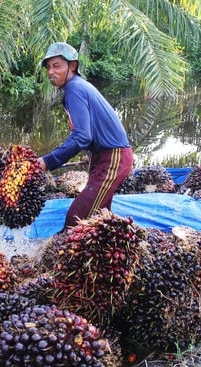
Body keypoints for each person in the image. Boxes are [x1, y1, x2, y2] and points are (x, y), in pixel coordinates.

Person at [37, 42, 134, 229]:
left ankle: (63, 255)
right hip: (103, 156)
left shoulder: (75, 89)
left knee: (76, 220)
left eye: (56, 65)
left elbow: (82, 136)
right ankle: (105, 254)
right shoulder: (77, 87)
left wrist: (48, 161)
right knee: (98, 219)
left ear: (72, 66)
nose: (50, 72)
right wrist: (91, 153)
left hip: (113, 158)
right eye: (48, 67)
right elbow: (90, 133)